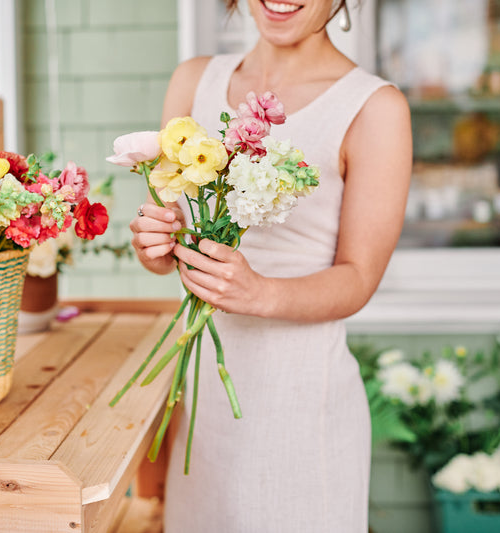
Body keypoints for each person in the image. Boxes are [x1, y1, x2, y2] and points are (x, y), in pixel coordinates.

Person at [129, 1, 412, 531]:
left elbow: (358, 276)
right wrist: (156, 245)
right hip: (204, 402)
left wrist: (260, 293)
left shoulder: (373, 107)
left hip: (302, 407)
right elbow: (173, 249)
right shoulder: (193, 80)